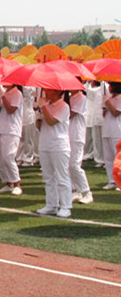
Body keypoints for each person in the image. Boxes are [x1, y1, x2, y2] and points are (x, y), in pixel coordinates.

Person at [37, 88, 73, 217]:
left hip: (59, 145)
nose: (46, 91)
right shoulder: (48, 105)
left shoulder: (63, 106)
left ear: (58, 92)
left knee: (61, 176)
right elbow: (41, 126)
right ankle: (51, 204)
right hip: (45, 143)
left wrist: (43, 107)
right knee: (48, 177)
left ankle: (66, 206)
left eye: (49, 89)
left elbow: (52, 121)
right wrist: (38, 115)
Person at [0, 85, 23, 195]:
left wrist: (2, 96)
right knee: (0, 158)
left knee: (8, 156)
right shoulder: (5, 93)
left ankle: (17, 183)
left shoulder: (17, 93)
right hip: (1, 127)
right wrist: (0, 99)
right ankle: (8, 183)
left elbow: (11, 109)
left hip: (12, 129)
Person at [68, 87, 92, 204]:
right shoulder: (69, 97)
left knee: (74, 165)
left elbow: (70, 114)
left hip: (77, 135)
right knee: (68, 165)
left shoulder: (81, 97)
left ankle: (87, 192)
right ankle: (75, 190)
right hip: (67, 134)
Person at [101, 82, 121, 190]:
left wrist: (107, 102)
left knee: (117, 158)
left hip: (117, 131)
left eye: (111, 86)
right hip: (107, 130)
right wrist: (105, 106)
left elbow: (116, 112)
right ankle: (111, 180)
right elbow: (105, 114)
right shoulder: (110, 98)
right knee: (108, 158)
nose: (109, 88)